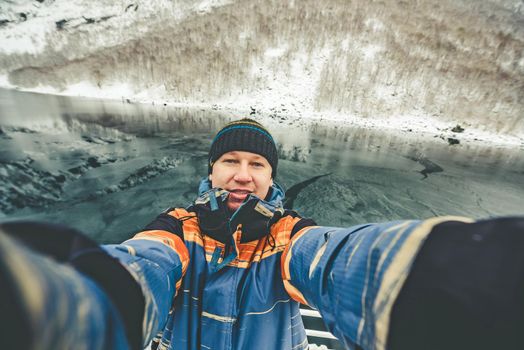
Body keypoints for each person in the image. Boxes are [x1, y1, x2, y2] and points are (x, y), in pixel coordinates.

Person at [1, 118, 523, 350]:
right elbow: (143, 267)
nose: (243, 174)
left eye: (257, 164)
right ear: (211, 171)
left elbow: (330, 260)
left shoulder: (285, 235)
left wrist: (458, 278)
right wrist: (50, 303)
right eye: (230, 160)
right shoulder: (175, 229)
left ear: (272, 178)